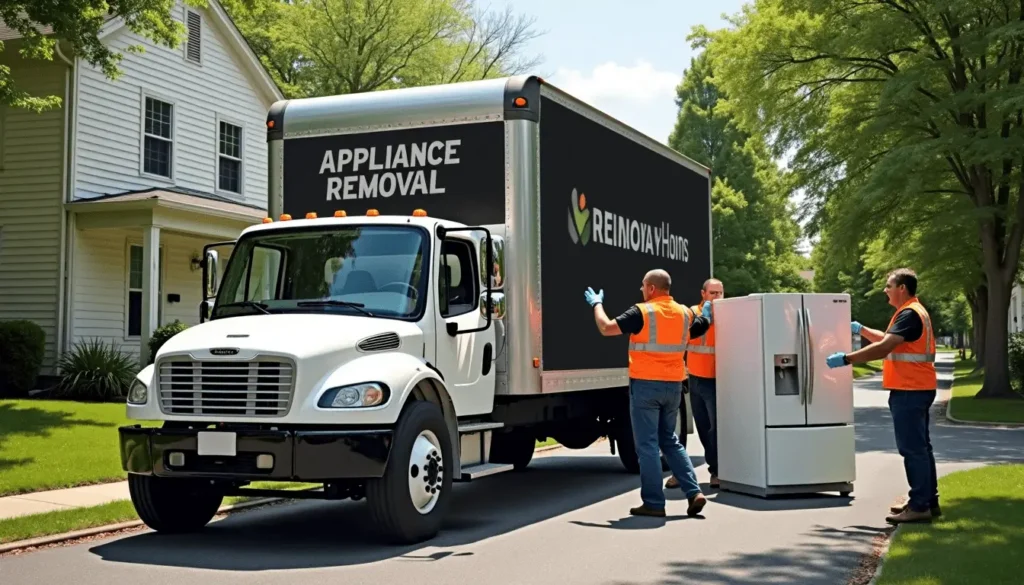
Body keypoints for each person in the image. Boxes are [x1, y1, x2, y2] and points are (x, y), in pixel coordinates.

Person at [584, 269, 712, 518]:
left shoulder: (642, 311)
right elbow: (698, 329)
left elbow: (606, 327)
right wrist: (706, 316)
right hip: (674, 386)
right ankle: (693, 492)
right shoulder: (685, 313)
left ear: (652, 288)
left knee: (648, 445)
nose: (641, 290)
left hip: (646, 386)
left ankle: (654, 502)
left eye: (643, 286)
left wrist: (597, 304)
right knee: (670, 440)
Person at [825, 268, 939, 524]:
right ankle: (927, 501)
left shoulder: (909, 313)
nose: (885, 290)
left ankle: (920, 506)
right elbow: (891, 341)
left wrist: (847, 358)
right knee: (922, 448)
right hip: (918, 387)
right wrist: (861, 329)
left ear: (902, 288)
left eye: (889, 285)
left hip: (909, 390)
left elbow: (885, 348)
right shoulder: (912, 311)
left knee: (913, 450)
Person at [667, 278, 724, 490]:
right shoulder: (693, 313)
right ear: (703, 294)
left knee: (715, 429)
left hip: (718, 379)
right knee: (702, 427)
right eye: (713, 293)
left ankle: (717, 471)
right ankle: (694, 472)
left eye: (720, 293)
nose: (717, 297)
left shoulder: (728, 315)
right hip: (695, 378)